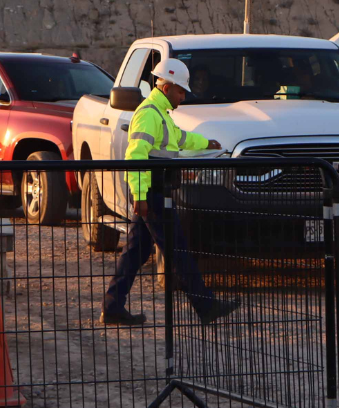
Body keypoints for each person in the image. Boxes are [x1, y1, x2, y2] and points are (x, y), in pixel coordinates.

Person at [100, 58, 241, 326]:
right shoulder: (149, 114)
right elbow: (136, 156)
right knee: (177, 249)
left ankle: (112, 306)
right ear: (166, 88)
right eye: (180, 91)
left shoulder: (160, 113)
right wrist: (140, 196)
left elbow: (179, 138)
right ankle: (205, 305)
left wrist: (205, 143)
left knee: (135, 252)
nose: (183, 96)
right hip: (152, 192)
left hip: (153, 191)